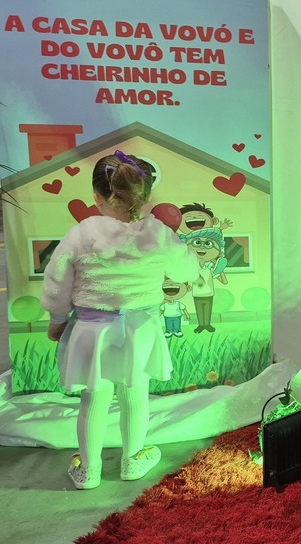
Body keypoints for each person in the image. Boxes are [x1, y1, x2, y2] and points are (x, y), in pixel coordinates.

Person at [40, 150, 199, 490]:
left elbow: (57, 280)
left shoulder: (81, 233)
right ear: (144, 195)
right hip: (139, 330)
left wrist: (57, 318)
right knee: (135, 394)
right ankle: (133, 460)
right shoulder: (158, 233)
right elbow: (187, 270)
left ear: (96, 196)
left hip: (91, 332)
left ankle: (89, 470)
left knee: (94, 399)